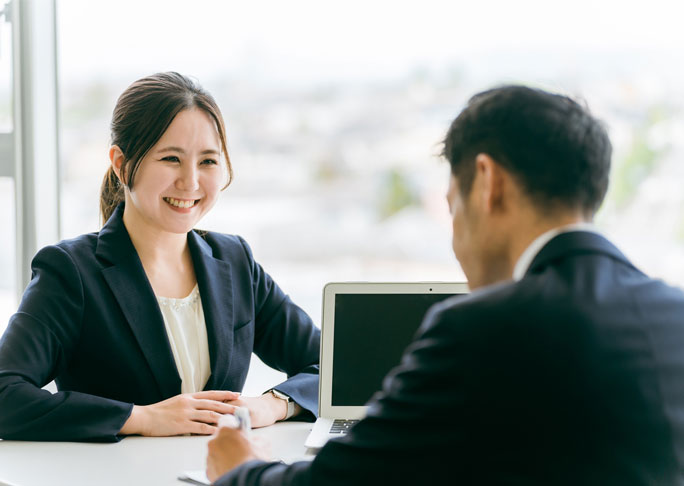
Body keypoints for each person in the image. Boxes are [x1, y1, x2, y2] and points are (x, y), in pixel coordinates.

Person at [206, 85, 684, 485]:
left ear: (487, 182)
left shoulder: (482, 330)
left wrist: (242, 469)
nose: (455, 235)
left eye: (452, 204)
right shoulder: (674, 314)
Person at [0, 72, 320, 442]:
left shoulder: (235, 261)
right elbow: (6, 394)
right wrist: (140, 418)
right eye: (171, 159)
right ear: (121, 164)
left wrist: (275, 404)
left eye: (208, 162)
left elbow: (337, 366)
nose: (191, 182)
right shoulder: (71, 271)